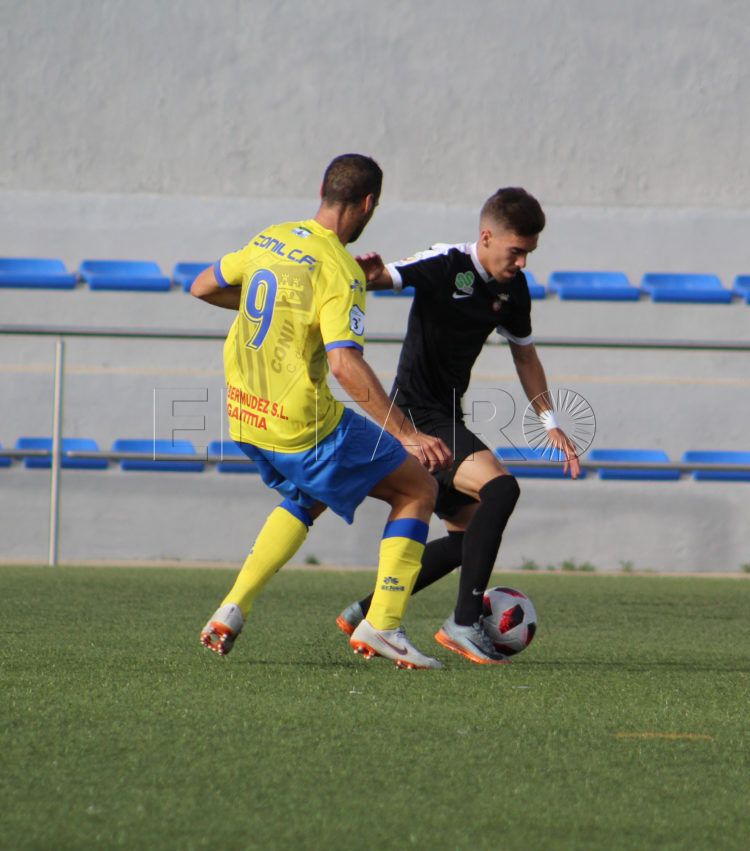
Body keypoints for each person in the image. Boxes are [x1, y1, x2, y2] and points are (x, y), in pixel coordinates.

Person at [190, 153, 452, 670]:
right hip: (301, 423)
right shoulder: (340, 270)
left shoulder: (271, 238)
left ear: (322, 191)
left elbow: (202, 285)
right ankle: (383, 624)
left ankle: (231, 609)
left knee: (309, 495)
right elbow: (344, 364)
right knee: (418, 489)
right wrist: (407, 434)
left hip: (246, 414)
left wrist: (284, 308)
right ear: (368, 204)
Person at [336, 187, 581, 665]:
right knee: (501, 490)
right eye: (516, 251)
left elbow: (525, 356)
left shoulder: (513, 290)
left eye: (529, 254)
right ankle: (464, 623)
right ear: (486, 237)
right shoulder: (447, 263)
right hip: (417, 415)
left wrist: (549, 421)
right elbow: (389, 276)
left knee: (466, 540)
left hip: (447, 415)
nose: (522, 263)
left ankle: (364, 612)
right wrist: (370, 275)